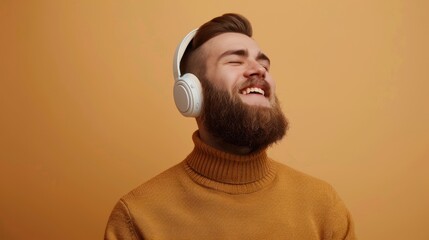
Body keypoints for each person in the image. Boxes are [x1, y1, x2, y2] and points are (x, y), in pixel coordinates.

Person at [104, 13, 356, 240]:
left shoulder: (323, 205)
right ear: (193, 94)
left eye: (264, 64)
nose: (258, 70)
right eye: (235, 62)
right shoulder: (137, 217)